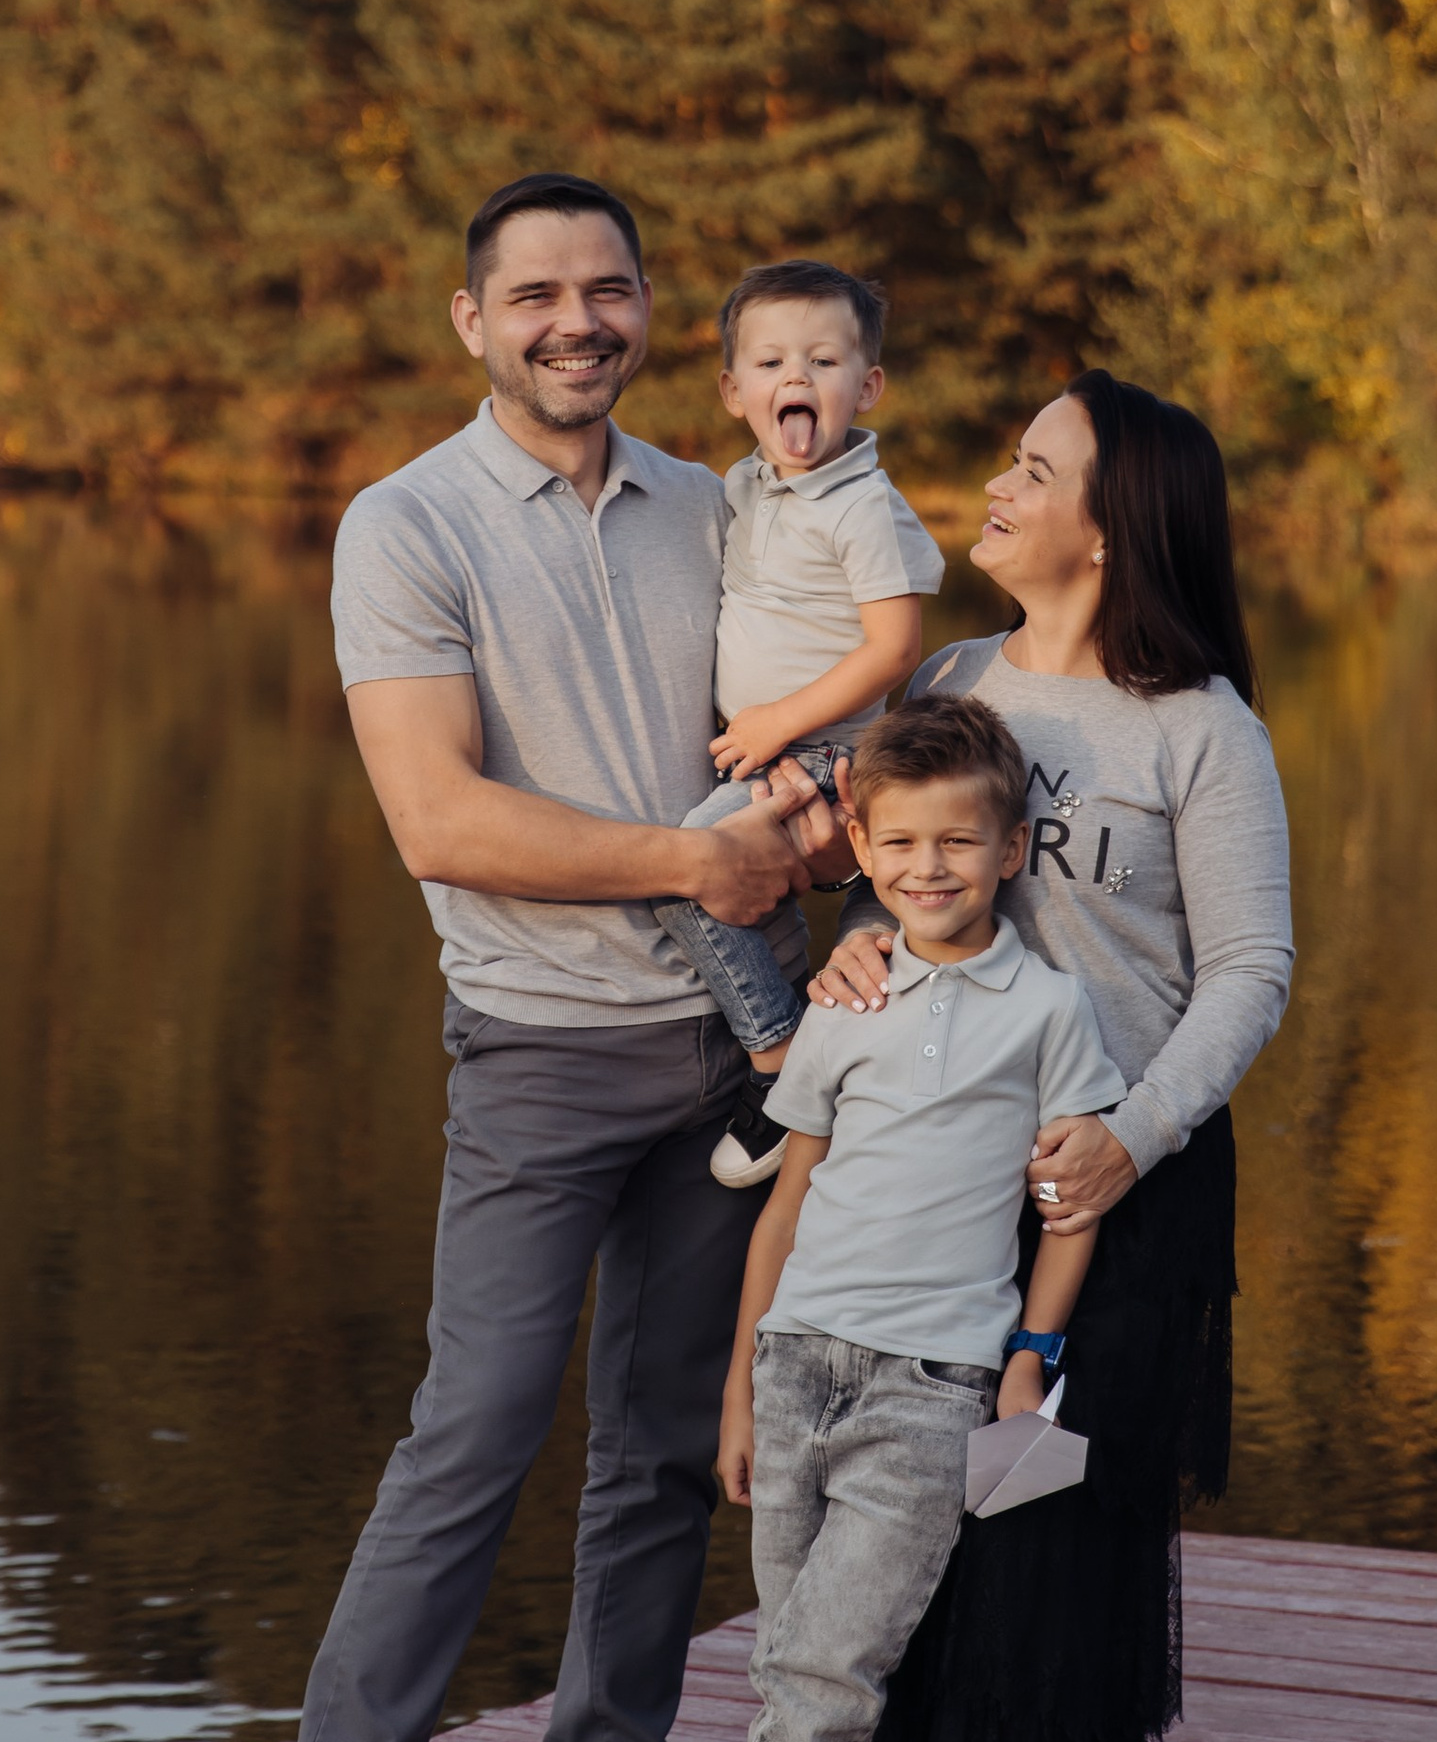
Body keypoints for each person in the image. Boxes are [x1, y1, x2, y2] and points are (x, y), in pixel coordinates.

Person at [304, 173, 855, 1742]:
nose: (576, 322)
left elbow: (804, 728)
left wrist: (817, 827)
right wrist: (700, 862)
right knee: (472, 1433)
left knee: (667, 1445)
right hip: (540, 1055)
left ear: (648, 310)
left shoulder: (715, 503)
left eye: (605, 290)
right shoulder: (406, 525)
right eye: (536, 296)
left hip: (742, 1060)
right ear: (472, 320)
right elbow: (438, 819)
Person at [808, 373, 1294, 1742]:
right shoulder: (953, 678)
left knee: (1051, 1555)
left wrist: (1130, 1140)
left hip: (1116, 1209)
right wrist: (852, 940)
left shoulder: (1200, 727)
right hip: (932, 1195)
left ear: (1111, 528)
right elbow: (891, 870)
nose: (997, 486)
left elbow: (1252, 971)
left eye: (1034, 469)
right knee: (914, 1551)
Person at [716, 694, 1127, 1742]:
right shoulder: (842, 1003)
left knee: (823, 1672)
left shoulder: (1049, 1011)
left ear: (1010, 847)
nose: (927, 867)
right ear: (858, 841)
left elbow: (1066, 1209)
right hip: (794, 1364)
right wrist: (739, 1387)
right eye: (897, 841)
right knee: (787, 1664)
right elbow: (786, 1202)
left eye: (957, 840)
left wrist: (1030, 1354)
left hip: (931, 1388)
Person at [651, 259, 945, 1188]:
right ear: (735, 393)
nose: (796, 379)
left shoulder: (864, 505)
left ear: (867, 387)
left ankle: (780, 1059)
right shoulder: (742, 486)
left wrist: (777, 719)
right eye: (771, 363)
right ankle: (805, 1041)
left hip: (829, 750)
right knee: (693, 866)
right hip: (771, 749)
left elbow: (894, 647)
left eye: (822, 362)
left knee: (687, 865)